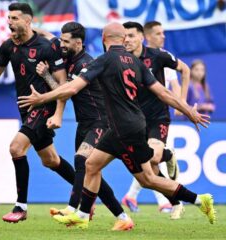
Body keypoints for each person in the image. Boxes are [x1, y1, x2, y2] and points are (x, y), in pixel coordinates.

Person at [17, 22, 215, 229]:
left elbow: (72, 88)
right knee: (91, 165)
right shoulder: (137, 63)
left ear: (104, 39)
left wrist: (42, 98)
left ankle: (199, 200)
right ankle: (83, 215)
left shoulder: (103, 60)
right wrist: (189, 111)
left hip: (124, 130)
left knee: (148, 179)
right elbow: (164, 93)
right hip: (125, 126)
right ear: (122, 39)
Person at [0, 3, 75, 223]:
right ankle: (86, 193)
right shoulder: (8, 46)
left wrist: (57, 114)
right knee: (50, 160)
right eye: (8, 18)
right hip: (26, 109)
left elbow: (63, 85)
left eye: (15, 18)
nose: (9, 22)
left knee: (16, 147)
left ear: (28, 21)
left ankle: (20, 207)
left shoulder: (46, 46)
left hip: (43, 107)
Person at [34, 22, 134, 231]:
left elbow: (67, 92)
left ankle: (74, 209)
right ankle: (123, 217)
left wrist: (45, 78)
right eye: (61, 40)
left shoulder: (85, 64)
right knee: (91, 172)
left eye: (66, 41)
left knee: (82, 160)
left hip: (101, 122)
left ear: (78, 43)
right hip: (84, 123)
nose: (61, 44)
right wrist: (36, 29)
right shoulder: (70, 58)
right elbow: (52, 39)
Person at [121, 22, 190, 219]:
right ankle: (175, 201)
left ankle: (167, 155)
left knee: (152, 158)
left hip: (157, 117)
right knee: (148, 172)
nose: (127, 40)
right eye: (124, 36)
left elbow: (184, 70)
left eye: (132, 36)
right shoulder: (121, 60)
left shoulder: (158, 56)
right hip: (135, 120)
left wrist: (182, 101)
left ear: (142, 37)